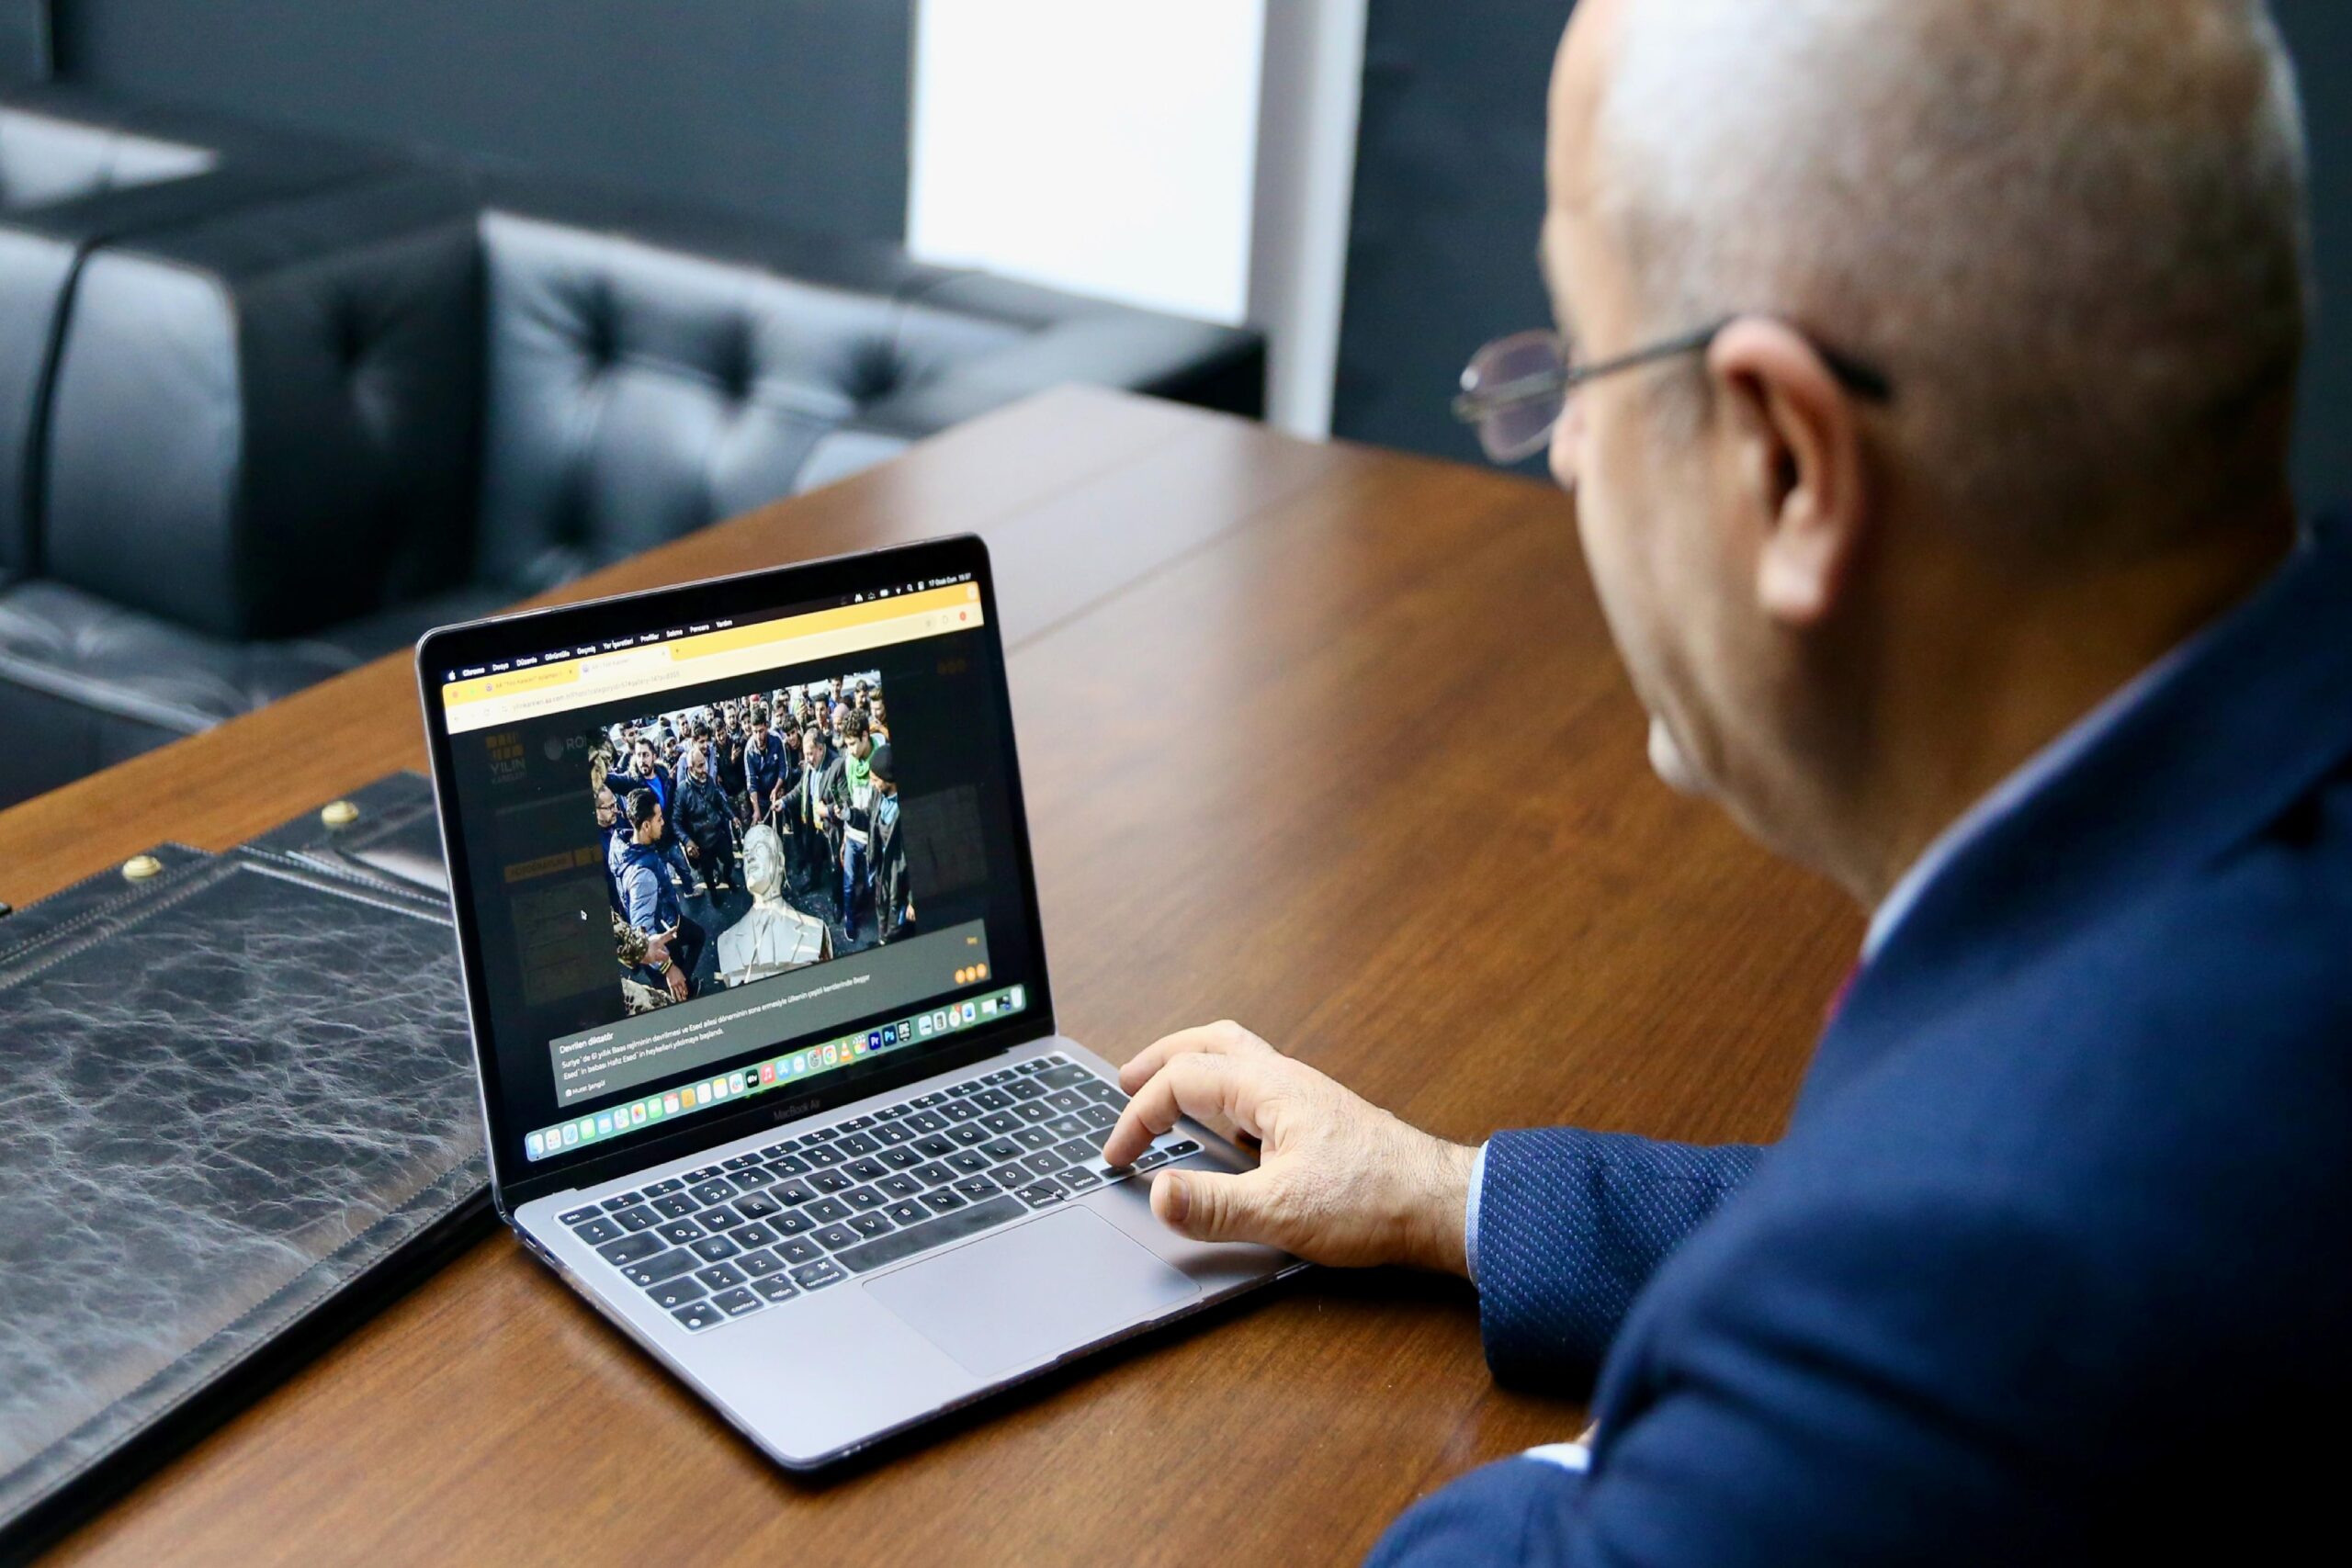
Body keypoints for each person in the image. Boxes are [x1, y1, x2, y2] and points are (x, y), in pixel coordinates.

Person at [1102, 2, 2350, 1560]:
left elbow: (1925, 1271)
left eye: (1577, 366)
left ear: (1784, 465)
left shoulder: (2006, 1258)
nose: (1558, 456)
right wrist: (1453, 1196)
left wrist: (1617, 1455)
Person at [714, 822, 833, 984]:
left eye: (759, 849)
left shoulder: (816, 931)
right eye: (746, 852)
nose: (750, 857)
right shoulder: (726, 943)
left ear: (780, 861)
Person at [614, 790, 703, 1003]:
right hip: (664, 935)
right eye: (659, 818)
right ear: (645, 826)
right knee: (676, 987)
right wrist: (668, 967)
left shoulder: (623, 843)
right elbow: (642, 933)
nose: (663, 823)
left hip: (669, 918)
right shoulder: (642, 877)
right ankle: (684, 992)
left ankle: (683, 986)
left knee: (698, 937)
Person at [816, 708, 878, 940]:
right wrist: (844, 835)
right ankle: (850, 921)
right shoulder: (850, 763)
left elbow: (873, 814)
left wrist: (849, 815)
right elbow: (848, 801)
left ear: (865, 736)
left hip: (872, 838)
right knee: (849, 883)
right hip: (852, 836)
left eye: (853, 744)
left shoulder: (880, 762)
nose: (850, 751)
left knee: (872, 885)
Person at [672, 739, 737, 894]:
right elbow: (675, 822)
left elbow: (720, 801)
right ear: (690, 768)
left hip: (717, 834)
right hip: (701, 843)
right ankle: (714, 894)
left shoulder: (708, 781)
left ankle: (728, 878)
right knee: (708, 875)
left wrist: (732, 816)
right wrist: (688, 841)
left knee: (730, 861)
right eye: (700, 766)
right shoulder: (682, 791)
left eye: (705, 764)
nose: (705, 770)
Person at [866, 743, 912, 943]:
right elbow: (868, 820)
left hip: (898, 882)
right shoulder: (878, 795)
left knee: (896, 930)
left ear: (888, 780)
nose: (872, 784)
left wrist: (912, 901)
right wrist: (848, 814)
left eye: (875, 780)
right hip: (881, 876)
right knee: (881, 918)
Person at [741, 704, 787, 827]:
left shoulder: (776, 740)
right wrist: (756, 809)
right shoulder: (749, 750)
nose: (758, 736)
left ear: (766, 726)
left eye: (761, 731)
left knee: (778, 830)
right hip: (761, 799)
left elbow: (783, 769)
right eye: (755, 731)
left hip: (777, 794)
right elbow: (751, 781)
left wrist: (777, 788)